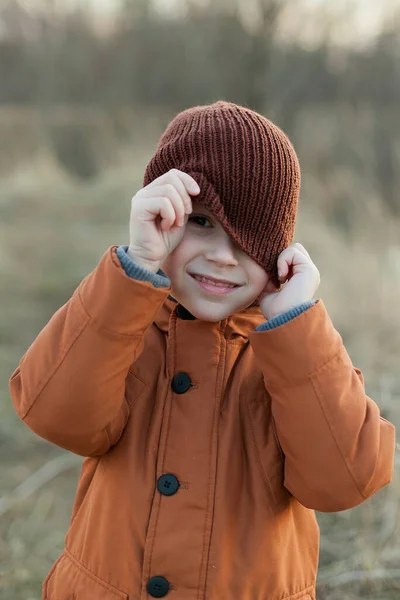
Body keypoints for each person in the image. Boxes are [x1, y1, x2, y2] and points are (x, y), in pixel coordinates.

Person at [9, 101, 395, 600]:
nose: (221, 255)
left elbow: (344, 481)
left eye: (249, 235)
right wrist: (138, 266)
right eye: (203, 222)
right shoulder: (121, 321)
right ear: (159, 214)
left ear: (280, 249)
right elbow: (56, 414)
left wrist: (295, 326)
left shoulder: (291, 353)